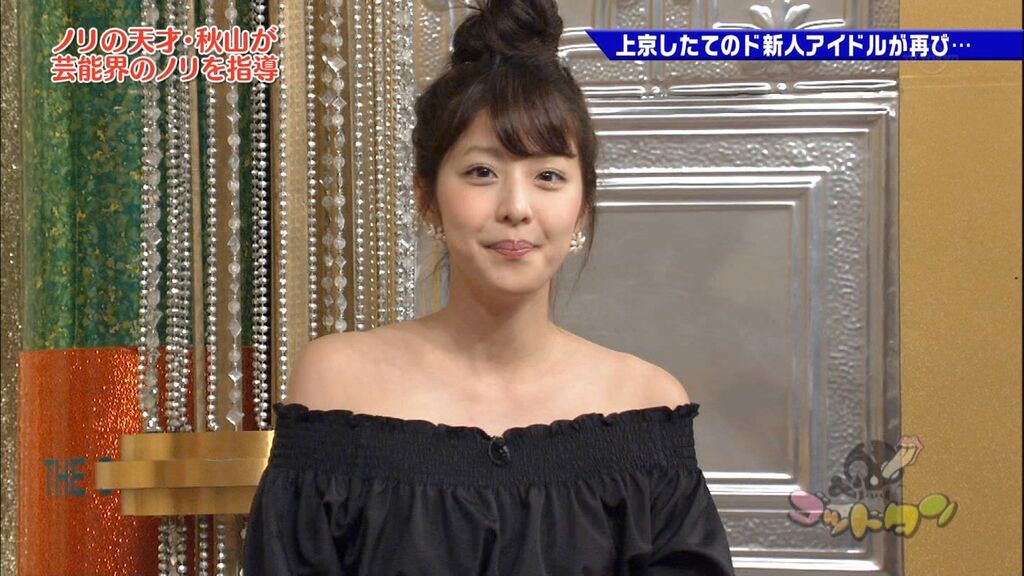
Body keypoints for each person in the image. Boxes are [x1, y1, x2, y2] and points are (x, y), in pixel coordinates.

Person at [242, 0, 735, 574]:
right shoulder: (337, 383)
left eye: (548, 175)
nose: (516, 207)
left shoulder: (646, 406)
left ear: (581, 205)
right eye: (482, 172)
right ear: (427, 197)